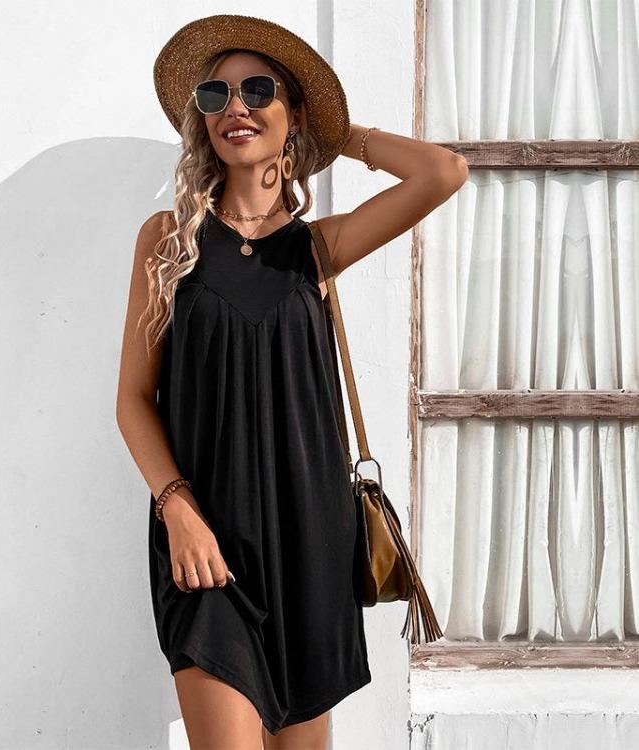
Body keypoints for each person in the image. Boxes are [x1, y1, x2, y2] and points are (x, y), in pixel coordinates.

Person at [116, 14, 468, 750]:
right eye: (215, 94)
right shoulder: (168, 242)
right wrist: (177, 508)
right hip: (206, 546)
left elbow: (442, 173)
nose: (235, 107)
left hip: (310, 543)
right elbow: (132, 400)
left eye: (258, 91)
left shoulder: (317, 248)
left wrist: (338, 133)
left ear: (293, 116)